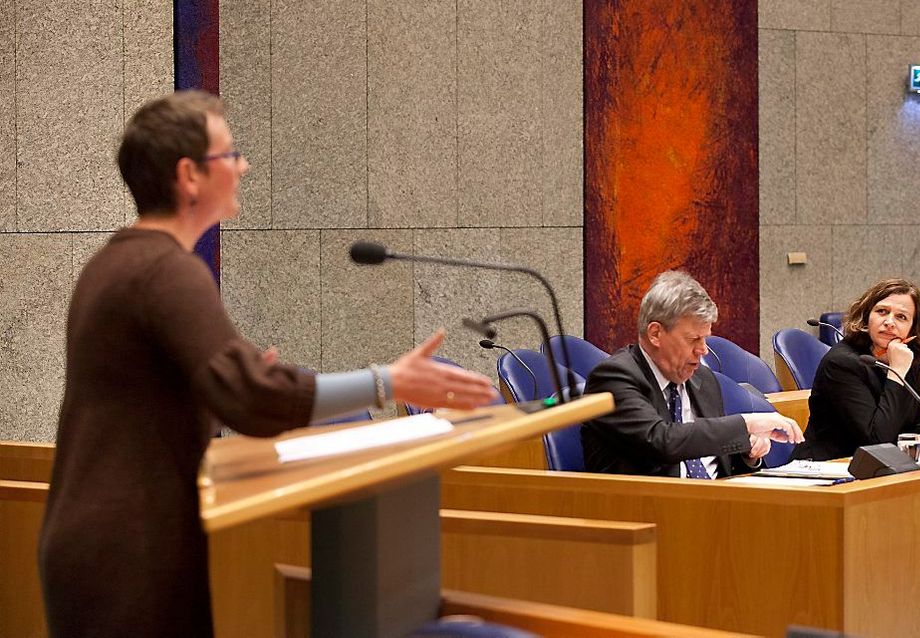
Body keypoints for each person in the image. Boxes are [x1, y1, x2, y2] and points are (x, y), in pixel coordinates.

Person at [37, 90, 496, 638]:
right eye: (229, 155)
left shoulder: (119, 261)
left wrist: (231, 382)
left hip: (101, 536)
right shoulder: (166, 271)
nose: (243, 166)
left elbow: (160, 397)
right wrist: (387, 381)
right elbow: (249, 396)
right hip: (126, 548)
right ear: (189, 176)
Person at [581, 270, 803, 478]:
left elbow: (722, 462)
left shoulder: (702, 380)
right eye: (693, 339)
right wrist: (746, 423)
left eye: (705, 338)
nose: (703, 350)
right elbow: (662, 441)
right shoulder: (613, 378)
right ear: (655, 333)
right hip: (651, 509)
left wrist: (749, 455)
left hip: (718, 505)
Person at [792, 278, 920, 462]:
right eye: (882, 311)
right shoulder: (841, 363)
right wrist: (896, 374)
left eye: (901, 317)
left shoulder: (905, 357)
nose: (889, 322)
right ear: (867, 316)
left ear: (912, 327)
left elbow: (918, 420)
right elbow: (876, 441)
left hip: (876, 469)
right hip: (827, 469)